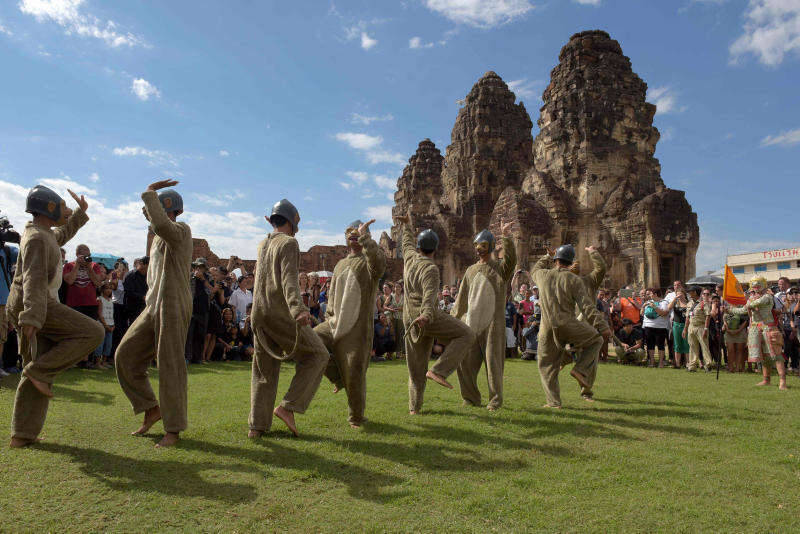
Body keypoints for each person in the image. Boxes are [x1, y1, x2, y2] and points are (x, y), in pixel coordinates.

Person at [6, 186, 104, 447]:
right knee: (93, 331)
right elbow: (33, 280)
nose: (66, 209)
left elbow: (63, 233)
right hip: (36, 305)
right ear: (49, 208)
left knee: (38, 367)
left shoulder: (43, 233)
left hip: (36, 305)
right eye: (62, 206)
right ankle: (37, 372)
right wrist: (32, 318)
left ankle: (22, 435)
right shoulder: (38, 238)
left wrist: (80, 215)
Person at [115, 181, 193, 448]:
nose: (145, 213)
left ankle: (173, 429)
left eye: (150, 208)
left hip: (173, 305)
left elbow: (161, 225)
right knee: (125, 355)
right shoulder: (159, 237)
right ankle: (150, 408)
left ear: (165, 208)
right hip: (154, 305)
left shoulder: (180, 230)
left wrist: (149, 191)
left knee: (170, 365)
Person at [249, 199, 328, 438]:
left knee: (264, 371)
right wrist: (298, 309)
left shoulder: (264, 243)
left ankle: (257, 427)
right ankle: (288, 407)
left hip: (259, 314)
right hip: (278, 313)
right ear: (292, 222)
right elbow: (289, 280)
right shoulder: (289, 243)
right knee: (318, 354)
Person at [394, 212, 474, 415]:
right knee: (466, 334)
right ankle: (439, 371)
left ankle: (414, 409)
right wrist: (428, 315)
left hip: (410, 318)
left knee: (415, 368)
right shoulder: (430, 268)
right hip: (425, 317)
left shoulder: (410, 259)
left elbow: (406, 244)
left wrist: (407, 226)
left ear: (419, 246)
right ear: (435, 249)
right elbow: (430, 296)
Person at [314, 218, 386, 428]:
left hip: (357, 327)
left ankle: (356, 417)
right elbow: (333, 294)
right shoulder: (339, 264)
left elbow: (380, 265)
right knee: (308, 339)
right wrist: (328, 316)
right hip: (333, 322)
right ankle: (337, 378)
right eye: (349, 231)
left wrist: (366, 239)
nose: (352, 234)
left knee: (355, 371)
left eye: (358, 231)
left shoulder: (368, 261)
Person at [530, 244, 608, 409]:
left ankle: (554, 401)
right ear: (570, 261)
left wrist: (546, 257)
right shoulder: (575, 280)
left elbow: (535, 269)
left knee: (546, 364)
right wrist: (602, 326)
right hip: (570, 325)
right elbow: (587, 306)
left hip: (547, 328)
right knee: (596, 340)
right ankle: (579, 369)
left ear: (556, 260)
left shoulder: (542, 275)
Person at [452, 222, 515, 411]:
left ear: (490, 245)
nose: (479, 249)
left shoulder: (500, 269)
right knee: (464, 363)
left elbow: (511, 261)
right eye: (477, 245)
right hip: (471, 323)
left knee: (494, 364)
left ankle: (495, 401)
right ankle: (470, 398)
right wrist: (454, 319)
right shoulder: (470, 270)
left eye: (483, 245)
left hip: (493, 324)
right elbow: (461, 299)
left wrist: (506, 237)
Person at [730, 276, 788, 390]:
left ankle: (782, 381)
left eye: (757, 284)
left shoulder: (767, 297)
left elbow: (753, 304)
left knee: (776, 355)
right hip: (756, 329)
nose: (756, 287)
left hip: (769, 328)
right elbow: (743, 310)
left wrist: (747, 302)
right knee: (764, 356)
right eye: (754, 285)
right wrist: (729, 309)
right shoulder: (752, 298)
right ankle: (766, 379)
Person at [63, 243, 105, 368]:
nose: (87, 257)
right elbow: (69, 280)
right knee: (74, 332)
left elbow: (98, 283)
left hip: (90, 304)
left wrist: (89, 267)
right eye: (84, 255)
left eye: (88, 255)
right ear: (77, 255)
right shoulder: (69, 265)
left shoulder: (94, 266)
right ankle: (72, 360)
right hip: (74, 303)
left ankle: (85, 360)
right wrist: (77, 265)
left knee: (88, 332)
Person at [0, 217, 19, 379]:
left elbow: (24, 256)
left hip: (2, 301)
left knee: (1, 336)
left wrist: (20, 239)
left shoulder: (8, 251)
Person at [186, 257, 212, 364]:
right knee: (189, 335)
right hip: (191, 309)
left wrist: (203, 279)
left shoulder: (208, 278)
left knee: (201, 335)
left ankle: (198, 358)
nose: (199, 269)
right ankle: (188, 357)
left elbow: (211, 291)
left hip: (203, 310)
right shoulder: (189, 277)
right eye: (197, 266)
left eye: (201, 267)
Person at [683, 286, 713, 372]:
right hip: (691, 326)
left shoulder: (703, 303)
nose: (689, 293)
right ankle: (692, 366)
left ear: (695, 292)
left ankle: (708, 364)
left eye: (690, 291)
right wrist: (685, 329)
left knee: (704, 346)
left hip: (701, 326)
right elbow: (687, 318)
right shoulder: (689, 304)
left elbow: (708, 316)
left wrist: (706, 329)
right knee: (692, 346)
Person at [641, 288, 670, 367]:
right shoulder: (648, 302)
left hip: (660, 327)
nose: (649, 295)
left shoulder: (664, 302)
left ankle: (660, 363)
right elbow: (642, 313)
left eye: (650, 294)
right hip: (648, 326)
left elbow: (663, 313)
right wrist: (643, 307)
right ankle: (652, 362)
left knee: (660, 345)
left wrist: (654, 307)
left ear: (655, 294)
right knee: (650, 345)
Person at [667, 286, 690, 368]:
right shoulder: (675, 303)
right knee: (677, 345)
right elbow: (669, 307)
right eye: (677, 294)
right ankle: (677, 364)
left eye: (681, 294)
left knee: (686, 344)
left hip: (685, 325)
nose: (679, 296)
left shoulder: (688, 303)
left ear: (684, 294)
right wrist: (675, 298)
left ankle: (688, 363)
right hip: (676, 325)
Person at [723, 301, 748, 373]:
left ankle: (737, 368)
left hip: (740, 331)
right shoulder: (727, 307)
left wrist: (738, 330)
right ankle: (731, 368)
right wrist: (727, 329)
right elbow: (724, 318)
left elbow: (746, 320)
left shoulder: (742, 308)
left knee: (739, 350)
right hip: (729, 332)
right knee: (730, 350)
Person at [94, 282, 115, 369]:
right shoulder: (100, 299)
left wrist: (113, 325)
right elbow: (100, 314)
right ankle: (97, 363)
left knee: (108, 344)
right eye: (107, 288)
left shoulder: (111, 301)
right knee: (100, 344)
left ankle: (104, 361)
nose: (109, 290)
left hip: (110, 325)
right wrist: (105, 325)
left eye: (110, 288)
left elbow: (112, 314)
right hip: (102, 324)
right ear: (102, 289)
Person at [123, 257, 148, 327]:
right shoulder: (130, 275)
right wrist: (142, 297)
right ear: (141, 264)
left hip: (143, 307)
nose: (147, 270)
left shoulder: (147, 276)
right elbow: (128, 292)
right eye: (146, 268)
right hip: (132, 309)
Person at [110, 260, 128, 355]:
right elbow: (113, 287)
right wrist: (116, 276)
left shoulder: (126, 280)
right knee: (116, 331)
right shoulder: (114, 280)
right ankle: (111, 354)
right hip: (116, 306)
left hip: (123, 307)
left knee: (122, 330)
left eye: (123, 269)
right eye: (120, 269)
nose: (122, 271)